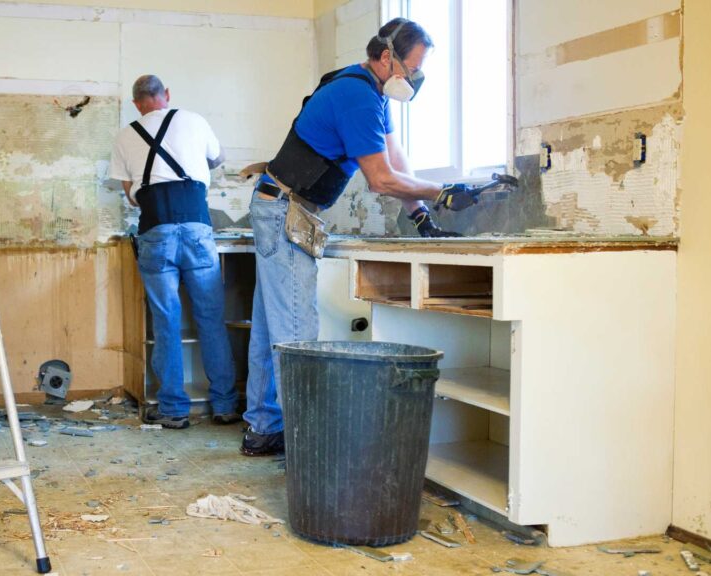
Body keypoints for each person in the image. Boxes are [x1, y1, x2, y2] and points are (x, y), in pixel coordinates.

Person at [240, 18, 482, 455]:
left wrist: (423, 215)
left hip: (280, 206)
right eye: (413, 69)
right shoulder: (357, 96)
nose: (416, 79)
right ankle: (307, 445)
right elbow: (381, 179)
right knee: (296, 332)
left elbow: (396, 161)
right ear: (387, 57)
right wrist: (442, 190)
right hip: (285, 210)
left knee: (270, 328)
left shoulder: (372, 94)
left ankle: (264, 428)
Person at [110, 75, 239, 430]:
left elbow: (130, 195)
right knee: (211, 319)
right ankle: (226, 405)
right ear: (166, 95)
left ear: (136, 104)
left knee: (166, 321)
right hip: (198, 227)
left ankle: (173, 410)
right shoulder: (194, 120)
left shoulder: (124, 136)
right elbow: (219, 158)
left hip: (156, 230)